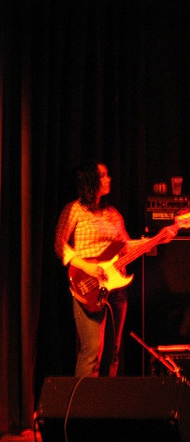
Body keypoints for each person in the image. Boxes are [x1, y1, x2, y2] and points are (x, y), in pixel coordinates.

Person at [55, 161, 175, 377]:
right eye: (102, 175)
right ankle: (83, 408)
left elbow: (126, 246)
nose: (108, 179)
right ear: (90, 180)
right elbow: (59, 243)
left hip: (116, 287)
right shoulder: (74, 209)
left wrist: (159, 238)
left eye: (108, 174)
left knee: (113, 352)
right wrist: (87, 268)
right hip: (87, 284)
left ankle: (107, 406)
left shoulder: (113, 213)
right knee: (92, 351)